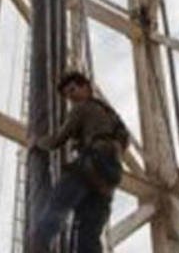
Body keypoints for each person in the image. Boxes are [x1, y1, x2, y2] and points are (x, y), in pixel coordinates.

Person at [29, 71, 128, 252]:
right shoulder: (111, 115)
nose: (71, 97)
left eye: (73, 90)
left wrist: (38, 142)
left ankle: (39, 245)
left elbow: (58, 140)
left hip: (90, 166)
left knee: (56, 207)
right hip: (109, 177)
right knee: (88, 235)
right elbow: (124, 140)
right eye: (67, 95)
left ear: (86, 87)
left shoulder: (83, 108)